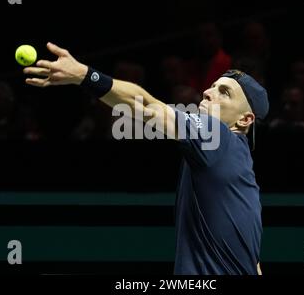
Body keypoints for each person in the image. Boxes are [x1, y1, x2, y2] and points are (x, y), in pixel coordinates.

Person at [23, 42, 269, 275]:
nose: (207, 92)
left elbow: (147, 106)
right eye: (212, 86)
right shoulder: (244, 175)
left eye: (224, 93)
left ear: (245, 119)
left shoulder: (216, 136)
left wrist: (85, 75)